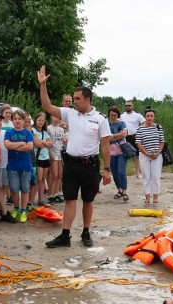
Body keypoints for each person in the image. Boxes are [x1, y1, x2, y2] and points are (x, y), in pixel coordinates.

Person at [37, 66, 111, 248]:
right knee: (70, 199)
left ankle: (86, 232)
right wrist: (43, 85)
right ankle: (65, 235)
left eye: (77, 99)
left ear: (87, 99)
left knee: (88, 200)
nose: (74, 101)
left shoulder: (100, 119)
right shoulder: (70, 114)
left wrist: (107, 169)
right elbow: (47, 107)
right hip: (71, 164)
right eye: (73, 98)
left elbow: (105, 145)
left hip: (90, 165)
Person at [4, 110, 34, 223]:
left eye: (19, 119)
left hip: (25, 165)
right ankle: (16, 209)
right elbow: (7, 145)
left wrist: (14, 146)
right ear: (12, 120)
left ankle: (23, 210)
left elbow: (30, 147)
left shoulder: (28, 133)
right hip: (12, 166)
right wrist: (22, 144)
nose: (17, 121)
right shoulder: (9, 132)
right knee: (14, 189)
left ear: (23, 120)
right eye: (15, 119)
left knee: (25, 189)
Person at [135, 108, 165, 205]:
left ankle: (155, 197)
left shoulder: (158, 127)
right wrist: (147, 153)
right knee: (146, 176)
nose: (149, 118)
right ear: (145, 117)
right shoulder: (140, 128)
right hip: (144, 155)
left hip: (157, 155)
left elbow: (162, 141)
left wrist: (158, 152)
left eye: (151, 116)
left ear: (154, 117)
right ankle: (147, 197)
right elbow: (139, 143)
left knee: (155, 176)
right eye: (148, 116)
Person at [107, 106, 129, 201]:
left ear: (118, 115)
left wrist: (112, 136)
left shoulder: (122, 123)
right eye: (111, 115)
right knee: (115, 173)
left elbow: (124, 134)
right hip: (110, 152)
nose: (113, 117)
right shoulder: (106, 124)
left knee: (121, 172)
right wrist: (118, 135)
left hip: (121, 151)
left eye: (115, 115)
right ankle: (119, 190)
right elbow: (106, 138)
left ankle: (124, 191)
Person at [120, 100, 145, 179]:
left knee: (137, 155)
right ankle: (123, 173)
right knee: (123, 155)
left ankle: (137, 172)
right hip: (124, 137)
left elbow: (144, 123)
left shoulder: (137, 115)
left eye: (129, 105)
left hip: (134, 137)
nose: (128, 107)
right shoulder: (122, 116)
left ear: (132, 106)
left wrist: (139, 132)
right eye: (126, 105)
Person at [32, 112, 53, 206]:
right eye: (39, 120)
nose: (41, 122)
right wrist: (45, 143)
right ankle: (31, 200)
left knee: (43, 179)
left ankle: (40, 199)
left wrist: (42, 142)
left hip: (46, 157)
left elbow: (51, 144)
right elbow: (37, 144)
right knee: (38, 179)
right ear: (35, 121)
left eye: (43, 120)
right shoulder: (33, 131)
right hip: (38, 158)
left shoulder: (45, 132)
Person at [46, 115, 66, 204]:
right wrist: (50, 153)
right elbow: (48, 142)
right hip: (53, 153)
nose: (57, 118)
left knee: (60, 175)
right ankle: (51, 195)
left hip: (59, 153)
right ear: (51, 118)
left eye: (58, 117)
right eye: (55, 117)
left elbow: (62, 141)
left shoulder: (61, 129)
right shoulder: (49, 128)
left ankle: (56, 193)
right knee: (54, 175)